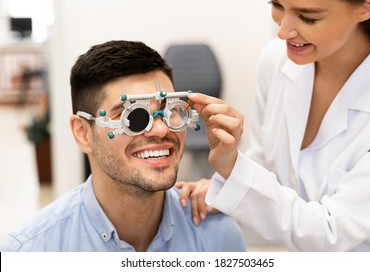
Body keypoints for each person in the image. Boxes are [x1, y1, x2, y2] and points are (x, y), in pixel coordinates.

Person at [178, 0, 370, 251]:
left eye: (308, 17)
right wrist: (224, 184)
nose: (283, 32)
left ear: (366, 8)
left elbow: (329, 231)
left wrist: (237, 173)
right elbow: (265, 157)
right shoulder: (276, 60)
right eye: (277, 4)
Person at [0, 40, 245, 252]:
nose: (161, 129)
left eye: (170, 110)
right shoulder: (31, 252)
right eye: (134, 117)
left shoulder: (218, 237)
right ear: (83, 133)